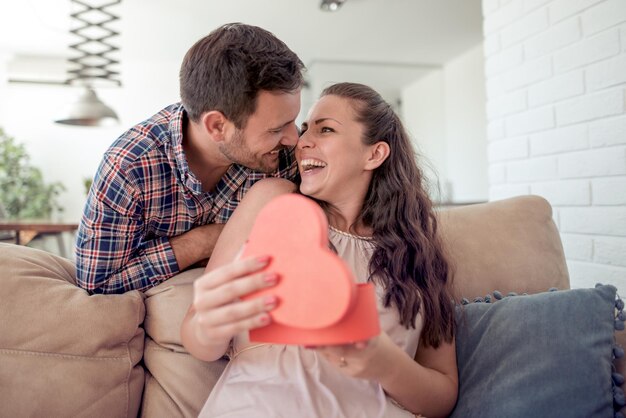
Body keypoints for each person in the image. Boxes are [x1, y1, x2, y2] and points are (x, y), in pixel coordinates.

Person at [181, 82, 458, 417]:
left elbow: (443, 396)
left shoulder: (416, 251)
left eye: (325, 129)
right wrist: (210, 323)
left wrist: (387, 364)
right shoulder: (274, 201)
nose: (301, 142)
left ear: (374, 154)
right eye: (304, 129)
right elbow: (197, 337)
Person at [75, 23, 304, 294]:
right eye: (276, 129)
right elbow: (99, 286)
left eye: (293, 122)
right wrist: (204, 241)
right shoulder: (129, 166)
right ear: (217, 126)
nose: (294, 138)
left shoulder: (283, 155)